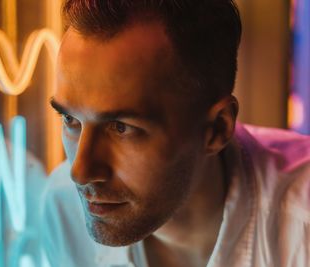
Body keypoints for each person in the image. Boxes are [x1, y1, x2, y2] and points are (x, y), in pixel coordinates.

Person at [40, 0, 310, 266]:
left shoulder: (302, 226)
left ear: (217, 129)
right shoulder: (64, 208)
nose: (80, 171)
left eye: (121, 127)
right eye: (70, 119)